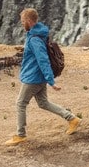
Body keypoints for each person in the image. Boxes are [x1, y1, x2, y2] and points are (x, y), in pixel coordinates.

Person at [6, 8, 81, 145]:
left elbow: (43, 60)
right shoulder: (36, 34)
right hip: (37, 76)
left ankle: (20, 135)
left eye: (23, 21)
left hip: (34, 78)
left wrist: (51, 80)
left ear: (29, 21)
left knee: (21, 103)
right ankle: (72, 119)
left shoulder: (35, 39)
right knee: (43, 103)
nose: (22, 24)